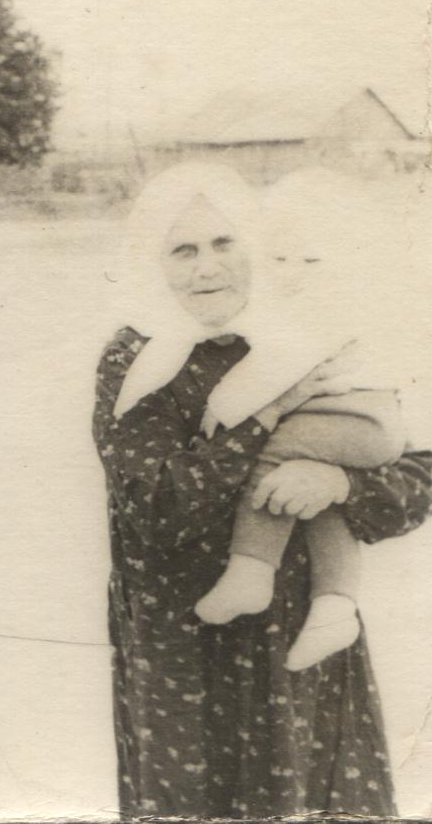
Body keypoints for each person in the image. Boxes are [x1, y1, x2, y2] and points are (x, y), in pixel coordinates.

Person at [93, 161, 432, 818]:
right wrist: (270, 415)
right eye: (183, 250)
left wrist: (338, 482)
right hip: (185, 655)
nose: (207, 268)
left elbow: (418, 471)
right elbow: (159, 506)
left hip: (304, 641)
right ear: (149, 259)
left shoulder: (303, 331)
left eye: (225, 243)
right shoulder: (137, 360)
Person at [194, 168, 422, 671]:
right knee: (315, 500)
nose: (292, 272)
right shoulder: (318, 303)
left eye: (312, 260)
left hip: (357, 417)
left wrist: (222, 406)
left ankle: (251, 568)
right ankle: (335, 606)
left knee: (277, 452)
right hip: (365, 421)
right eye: (277, 259)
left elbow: (270, 370)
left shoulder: (323, 308)